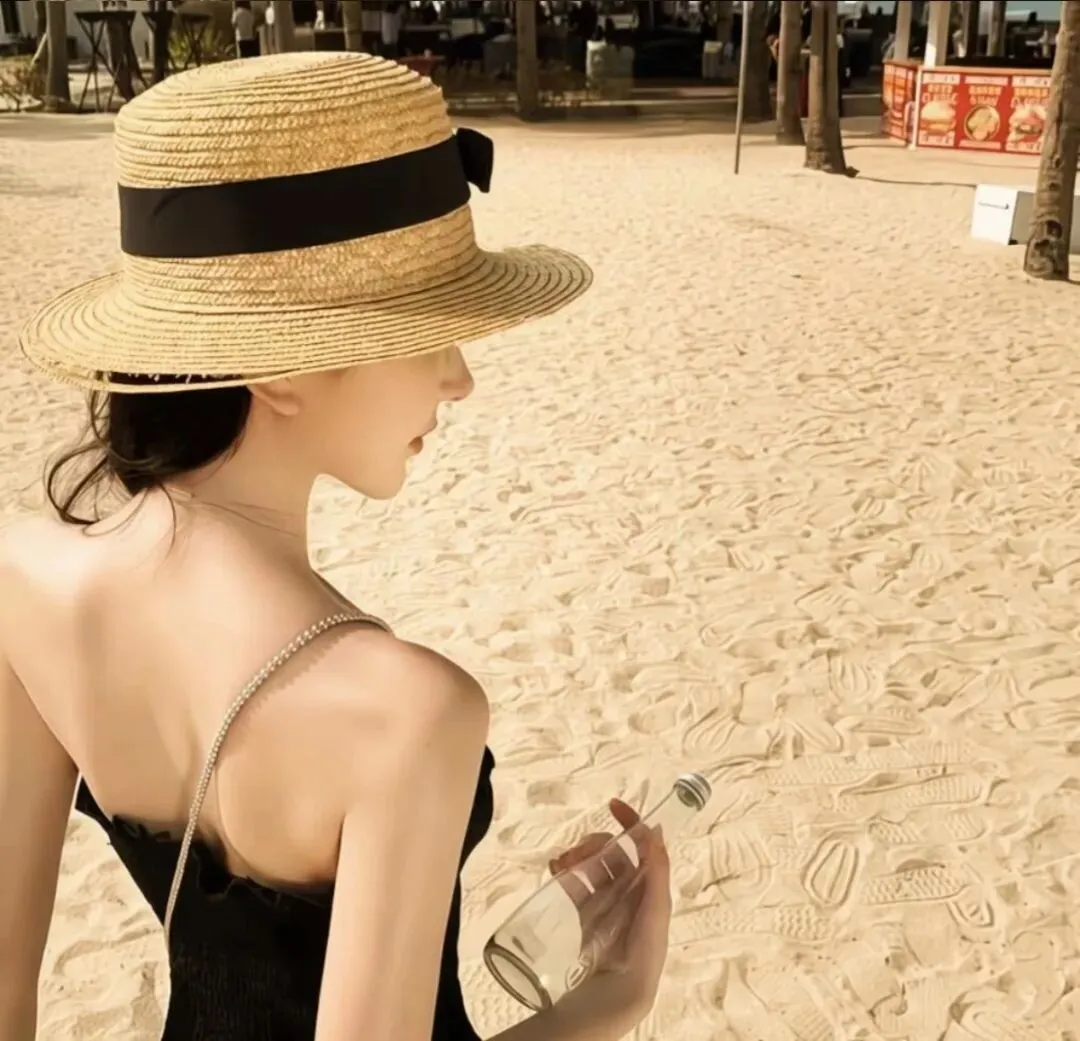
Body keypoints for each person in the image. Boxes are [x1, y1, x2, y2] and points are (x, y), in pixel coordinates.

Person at [1, 52, 673, 1041]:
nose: (459, 379)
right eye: (430, 330)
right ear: (279, 368)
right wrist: (616, 995)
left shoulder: (22, 582)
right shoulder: (405, 709)